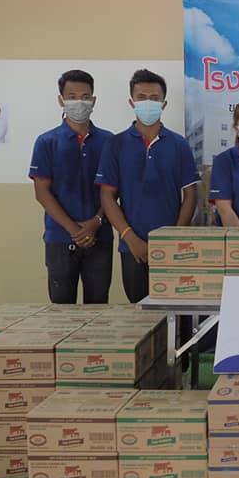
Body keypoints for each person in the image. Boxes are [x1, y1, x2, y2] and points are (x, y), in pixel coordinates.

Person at [96, 69, 199, 303]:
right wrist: (130, 238)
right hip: (132, 247)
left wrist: (173, 238)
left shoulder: (179, 144)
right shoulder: (116, 144)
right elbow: (107, 196)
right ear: (132, 102)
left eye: (154, 98)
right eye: (141, 97)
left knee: (175, 311)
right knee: (139, 312)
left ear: (164, 104)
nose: (148, 103)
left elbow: (190, 195)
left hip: (173, 249)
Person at [28, 69, 113, 304]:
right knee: (61, 309)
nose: (79, 102)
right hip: (60, 237)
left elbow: (113, 190)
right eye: (72, 97)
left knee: (98, 308)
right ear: (61, 100)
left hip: (99, 237)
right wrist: (74, 230)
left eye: (85, 97)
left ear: (94, 100)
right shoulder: (46, 142)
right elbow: (42, 192)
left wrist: (95, 222)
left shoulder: (109, 141)